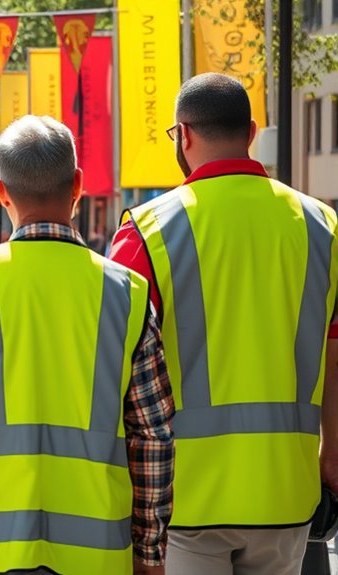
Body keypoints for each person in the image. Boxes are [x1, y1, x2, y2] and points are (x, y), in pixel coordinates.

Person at [0, 116, 174, 575]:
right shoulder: (127, 292)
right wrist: (149, 548)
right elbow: (151, 433)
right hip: (98, 548)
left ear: (1, 191)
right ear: (77, 184)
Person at [110, 73, 337, 575]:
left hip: (184, 495)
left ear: (183, 135)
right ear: (252, 131)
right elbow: (334, 351)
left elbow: (119, 368)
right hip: (286, 491)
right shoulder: (322, 225)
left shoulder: (146, 230)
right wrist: (331, 458)